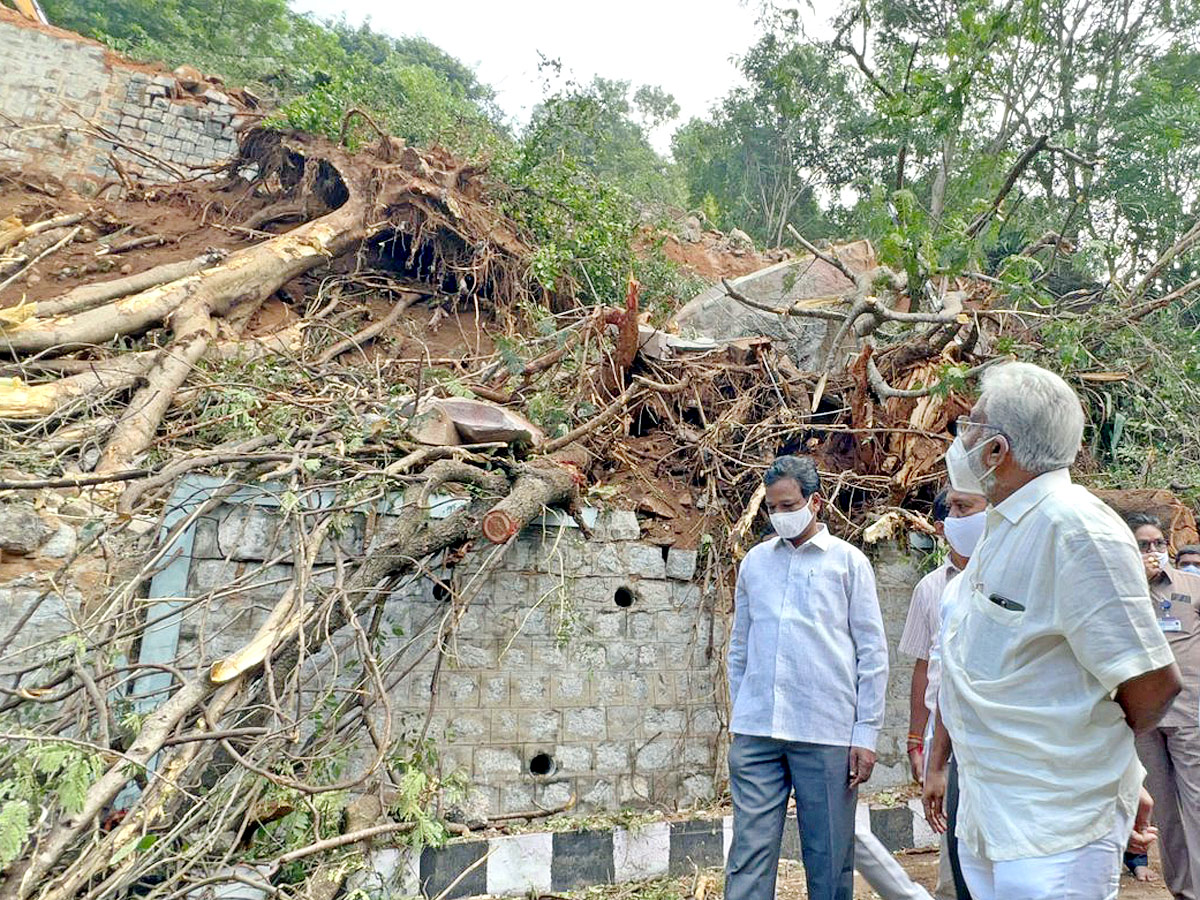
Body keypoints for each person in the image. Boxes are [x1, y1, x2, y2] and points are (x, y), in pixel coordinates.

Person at [921, 361, 1182, 900]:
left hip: (1056, 831)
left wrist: (1105, 766)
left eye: (970, 423)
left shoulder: (1076, 530)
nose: (957, 436)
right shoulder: (1003, 524)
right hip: (993, 818)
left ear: (996, 451)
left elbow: (1153, 682)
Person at [726, 455, 889, 900]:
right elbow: (740, 645)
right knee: (748, 855)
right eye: (772, 508)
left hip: (826, 732)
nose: (779, 515)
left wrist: (866, 733)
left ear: (814, 502)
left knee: (828, 856)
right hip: (758, 732)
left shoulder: (849, 563)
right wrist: (741, 716)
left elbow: (872, 652)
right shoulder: (755, 564)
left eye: (787, 505)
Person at [899, 486, 987, 900]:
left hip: (991, 735)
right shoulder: (931, 589)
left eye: (963, 508)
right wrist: (919, 740)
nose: (955, 518)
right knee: (954, 831)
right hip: (943, 734)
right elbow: (925, 669)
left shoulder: (1006, 577)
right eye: (950, 512)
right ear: (940, 528)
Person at [1125, 513, 1200, 900]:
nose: (1153, 552)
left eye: (1157, 544)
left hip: (1190, 716)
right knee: (1166, 813)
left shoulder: (1191, 587)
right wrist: (1135, 581)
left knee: (1197, 804)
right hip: (1144, 720)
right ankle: (1184, 891)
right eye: (1143, 545)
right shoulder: (1121, 592)